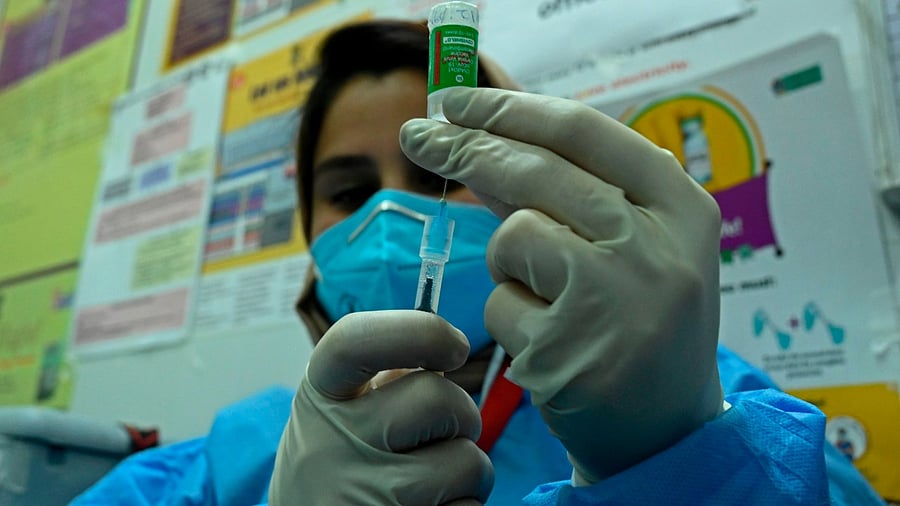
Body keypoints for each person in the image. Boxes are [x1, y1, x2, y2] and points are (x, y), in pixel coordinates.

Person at [74, 19, 884, 505]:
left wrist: (676, 461)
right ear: (306, 232)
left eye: (436, 174)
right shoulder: (223, 466)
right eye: (349, 191)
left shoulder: (683, 394)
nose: (393, 213)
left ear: (524, 187)